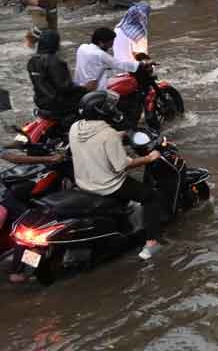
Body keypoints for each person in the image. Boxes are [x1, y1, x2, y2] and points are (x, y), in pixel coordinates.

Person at [69, 90, 164, 260]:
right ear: (101, 111)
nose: (113, 108)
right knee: (151, 196)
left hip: (83, 183)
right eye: (109, 106)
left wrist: (119, 136)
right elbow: (122, 166)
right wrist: (149, 157)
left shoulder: (75, 127)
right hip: (108, 186)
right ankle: (152, 243)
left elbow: (94, 143)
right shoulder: (108, 135)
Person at [28, 30, 86, 117]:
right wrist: (84, 88)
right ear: (54, 43)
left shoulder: (32, 61)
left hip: (40, 100)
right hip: (57, 102)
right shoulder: (55, 61)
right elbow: (65, 87)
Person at [74, 27, 143, 91]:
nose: (111, 46)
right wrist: (141, 64)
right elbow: (120, 65)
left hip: (80, 88)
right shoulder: (100, 55)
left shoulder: (82, 47)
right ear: (101, 43)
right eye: (110, 44)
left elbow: (91, 65)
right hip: (97, 92)